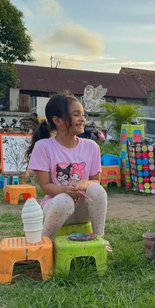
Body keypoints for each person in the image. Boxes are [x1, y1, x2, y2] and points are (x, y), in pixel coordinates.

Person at [25, 93, 109, 250]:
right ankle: (43, 242)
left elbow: (95, 181)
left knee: (96, 189)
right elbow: (46, 187)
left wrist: (85, 183)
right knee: (64, 199)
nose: (82, 119)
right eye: (76, 115)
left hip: (83, 210)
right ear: (57, 121)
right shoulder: (44, 147)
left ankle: (100, 240)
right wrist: (67, 190)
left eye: (83, 114)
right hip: (56, 206)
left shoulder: (92, 147)